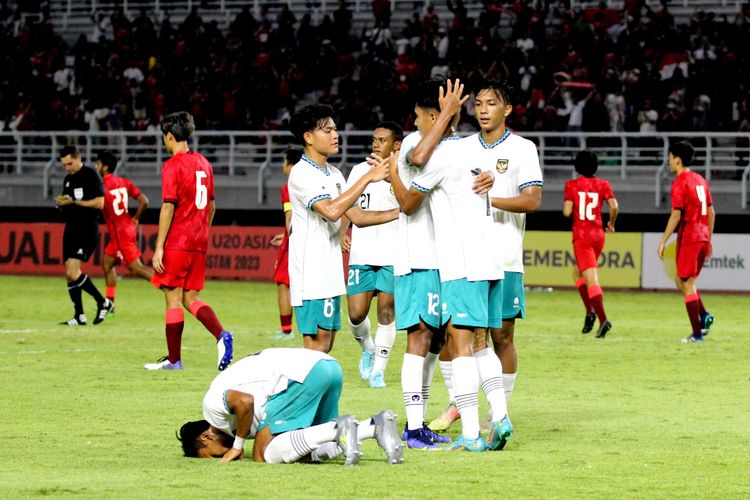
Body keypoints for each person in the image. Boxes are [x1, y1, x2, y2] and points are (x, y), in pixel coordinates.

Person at [391, 78, 509, 452]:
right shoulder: (448, 145)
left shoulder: (445, 149)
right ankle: (491, 417)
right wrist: (449, 116)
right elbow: (419, 158)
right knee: (452, 341)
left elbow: (415, 185)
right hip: (453, 260)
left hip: (457, 263)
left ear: (431, 114)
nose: (414, 123)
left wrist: (389, 170)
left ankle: (472, 430)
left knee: (457, 344)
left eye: (417, 116)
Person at [431, 79, 544, 432]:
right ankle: (456, 405)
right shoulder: (461, 148)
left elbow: (532, 201)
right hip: (463, 257)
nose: (482, 109)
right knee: (456, 334)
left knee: (501, 337)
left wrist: (487, 199)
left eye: (491, 103)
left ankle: (499, 413)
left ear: (506, 109)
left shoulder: (524, 149)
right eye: (478, 103)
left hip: (505, 256)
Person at [287, 104, 397, 354]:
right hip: (310, 273)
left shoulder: (334, 174)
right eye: (327, 130)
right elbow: (332, 210)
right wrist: (368, 177)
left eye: (335, 129)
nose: (335, 135)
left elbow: (356, 216)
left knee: (326, 346)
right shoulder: (302, 173)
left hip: (330, 271)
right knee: (315, 347)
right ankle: (295, 392)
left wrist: (401, 211)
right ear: (308, 137)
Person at [178, 348, 404, 465]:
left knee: (262, 454)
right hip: (328, 366)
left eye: (213, 456)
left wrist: (238, 445)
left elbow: (244, 401)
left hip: (301, 375)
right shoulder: (232, 422)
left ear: (206, 437)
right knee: (305, 449)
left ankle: (341, 429)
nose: (221, 456)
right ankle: (374, 427)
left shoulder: (211, 407)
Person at [145, 111, 234, 371]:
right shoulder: (205, 164)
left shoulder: (172, 165)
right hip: (199, 239)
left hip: (179, 239)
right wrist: (201, 229)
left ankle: (175, 360)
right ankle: (221, 335)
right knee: (190, 296)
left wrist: (159, 246)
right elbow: (213, 206)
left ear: (169, 136)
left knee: (172, 297)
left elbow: (168, 207)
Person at [340, 122, 403, 389]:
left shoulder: (404, 172)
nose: (376, 144)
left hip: (393, 252)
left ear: (396, 145)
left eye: (382, 140)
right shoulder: (358, 170)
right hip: (362, 252)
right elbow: (348, 203)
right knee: (355, 314)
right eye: (374, 139)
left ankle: (379, 369)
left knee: (386, 311)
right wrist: (345, 229)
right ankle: (367, 347)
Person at [657, 141, 715, 343]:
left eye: (670, 156)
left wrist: (663, 240)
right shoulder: (700, 180)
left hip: (690, 236)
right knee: (681, 280)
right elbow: (711, 212)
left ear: (678, 160)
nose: (668, 160)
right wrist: (709, 238)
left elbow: (676, 214)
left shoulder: (680, 182)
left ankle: (697, 334)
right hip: (702, 235)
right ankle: (705, 315)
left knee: (687, 283)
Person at [563, 150, 619, 338]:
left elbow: (567, 211)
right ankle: (590, 312)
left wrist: (572, 209)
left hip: (582, 236)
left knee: (591, 279)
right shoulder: (603, 184)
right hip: (598, 235)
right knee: (577, 272)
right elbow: (614, 206)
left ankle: (603, 320)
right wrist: (611, 223)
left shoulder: (572, 185)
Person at [56, 145, 113, 326]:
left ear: (79, 157)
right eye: (64, 165)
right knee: (68, 273)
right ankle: (79, 315)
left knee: (73, 271)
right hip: (71, 228)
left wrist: (76, 202)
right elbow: (69, 202)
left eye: (69, 163)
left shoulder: (91, 175)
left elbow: (100, 203)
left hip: (86, 228)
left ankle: (103, 302)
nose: (67, 168)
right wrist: (62, 204)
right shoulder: (68, 179)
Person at [94, 150, 153, 313]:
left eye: (98, 164)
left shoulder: (102, 187)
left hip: (120, 233)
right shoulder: (123, 182)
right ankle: (109, 304)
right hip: (126, 228)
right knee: (107, 263)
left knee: (137, 269)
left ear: (105, 167)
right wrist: (136, 218)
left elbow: (97, 204)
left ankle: (168, 287)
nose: (96, 166)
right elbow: (144, 201)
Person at [270, 146, 303, 340]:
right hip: (303, 238)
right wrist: (284, 235)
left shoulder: (289, 186)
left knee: (283, 283)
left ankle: (286, 330)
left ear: (290, 164)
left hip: (294, 244)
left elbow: (290, 218)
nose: (283, 165)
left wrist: (289, 237)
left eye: (284, 161)